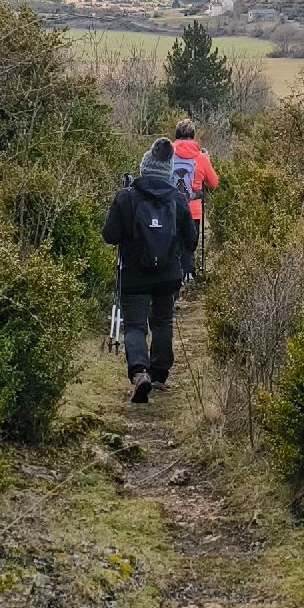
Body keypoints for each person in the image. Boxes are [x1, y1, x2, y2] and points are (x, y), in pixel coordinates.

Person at [101, 138, 197, 402]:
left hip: (134, 275)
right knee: (162, 321)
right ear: (167, 171)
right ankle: (159, 374)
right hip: (168, 274)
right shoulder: (178, 199)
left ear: (144, 168)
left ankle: (139, 372)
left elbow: (109, 236)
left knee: (134, 325)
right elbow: (191, 240)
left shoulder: (126, 197)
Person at [169, 117, 219, 270]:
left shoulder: (166, 155)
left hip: (169, 209)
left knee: (171, 248)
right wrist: (207, 161)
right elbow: (213, 183)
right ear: (193, 135)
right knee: (189, 248)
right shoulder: (201, 158)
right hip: (193, 211)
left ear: (176, 135)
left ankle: (172, 278)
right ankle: (189, 275)